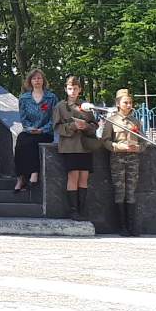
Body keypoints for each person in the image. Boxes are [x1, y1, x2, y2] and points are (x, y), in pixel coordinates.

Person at [100, 88, 148, 236]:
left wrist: (138, 148)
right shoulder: (112, 121)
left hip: (133, 158)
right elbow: (105, 141)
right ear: (118, 104)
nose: (129, 105)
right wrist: (118, 147)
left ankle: (132, 226)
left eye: (130, 102)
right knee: (120, 190)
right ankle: (122, 226)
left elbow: (144, 141)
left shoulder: (135, 121)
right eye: (125, 102)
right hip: (118, 158)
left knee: (131, 190)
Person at [53, 76, 98, 222]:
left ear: (80, 90)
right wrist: (72, 126)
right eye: (70, 88)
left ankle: (82, 209)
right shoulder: (60, 106)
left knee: (84, 177)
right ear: (66, 89)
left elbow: (94, 125)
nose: (72, 91)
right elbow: (56, 127)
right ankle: (73, 211)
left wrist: (87, 126)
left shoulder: (86, 106)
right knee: (73, 176)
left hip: (85, 146)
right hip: (70, 146)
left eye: (75, 88)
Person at [16, 69, 55, 192]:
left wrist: (42, 129)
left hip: (45, 132)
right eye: (34, 78)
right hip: (30, 131)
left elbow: (54, 118)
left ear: (43, 80)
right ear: (30, 81)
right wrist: (30, 129)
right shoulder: (24, 98)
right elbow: (23, 118)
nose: (37, 81)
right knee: (21, 140)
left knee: (33, 142)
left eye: (39, 78)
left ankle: (34, 173)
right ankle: (20, 177)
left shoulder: (51, 97)